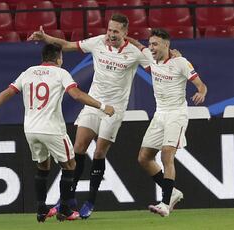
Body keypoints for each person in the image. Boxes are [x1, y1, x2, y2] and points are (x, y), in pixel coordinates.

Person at [28, 13, 154, 219]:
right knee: (78, 149)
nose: (111, 34)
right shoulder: (98, 42)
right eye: (109, 29)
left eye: (116, 31)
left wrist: (140, 45)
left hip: (114, 109)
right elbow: (68, 45)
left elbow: (155, 65)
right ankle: (67, 200)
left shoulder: (134, 53)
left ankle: (91, 201)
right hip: (94, 104)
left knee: (99, 154)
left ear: (125, 32)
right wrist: (46, 38)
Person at [0, 44, 115, 222]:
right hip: (52, 129)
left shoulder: (28, 72)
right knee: (70, 166)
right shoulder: (61, 73)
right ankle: (65, 209)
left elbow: (7, 93)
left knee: (43, 166)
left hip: (30, 129)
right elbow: (76, 95)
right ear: (58, 58)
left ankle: (41, 209)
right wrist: (102, 106)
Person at [127, 28, 207, 217]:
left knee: (166, 154)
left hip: (176, 114)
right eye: (150, 44)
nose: (151, 47)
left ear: (166, 44)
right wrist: (121, 37)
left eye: (155, 44)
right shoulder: (149, 56)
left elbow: (201, 85)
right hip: (159, 114)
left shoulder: (181, 62)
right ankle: (172, 192)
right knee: (144, 158)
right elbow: (136, 44)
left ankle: (165, 203)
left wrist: (201, 92)